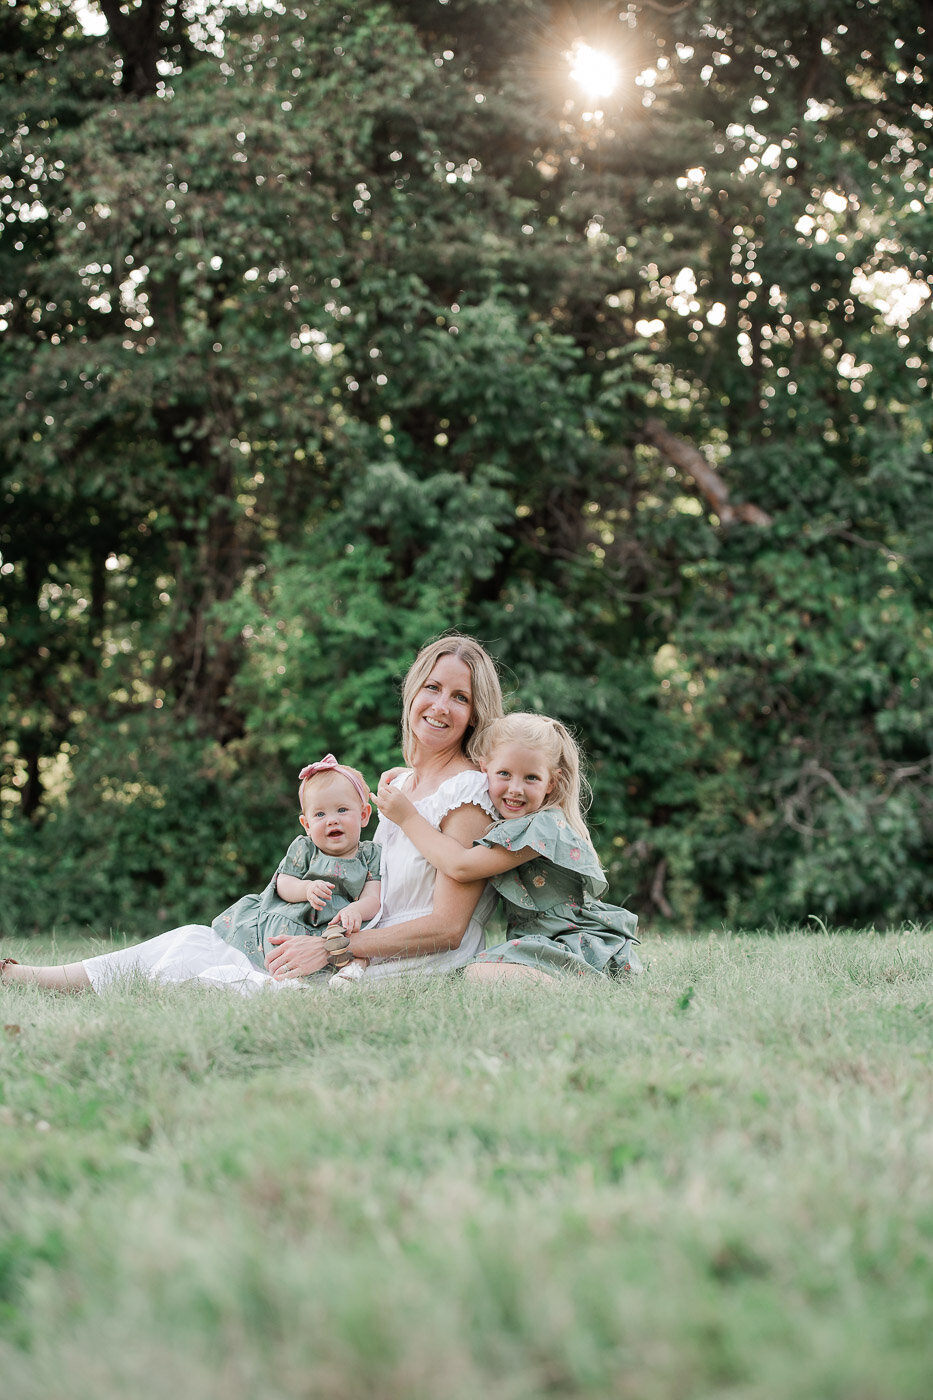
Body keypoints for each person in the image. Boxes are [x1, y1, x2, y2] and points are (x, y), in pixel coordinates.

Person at [1, 633, 505, 991]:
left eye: (460, 697)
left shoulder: (469, 793)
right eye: (433, 688)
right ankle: (38, 978)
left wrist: (331, 951)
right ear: (413, 691)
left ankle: (44, 982)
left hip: (407, 962)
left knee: (221, 980)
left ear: (476, 713)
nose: (441, 705)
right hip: (359, 942)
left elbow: (447, 928)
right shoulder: (403, 784)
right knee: (195, 938)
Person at [0, 754, 380, 995]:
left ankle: (143, 986)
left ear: (363, 815)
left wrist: (356, 912)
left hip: (306, 948)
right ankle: (42, 979)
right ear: (306, 823)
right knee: (187, 944)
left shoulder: (370, 855)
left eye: (342, 811)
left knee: (211, 972)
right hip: (262, 932)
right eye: (320, 814)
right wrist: (305, 888)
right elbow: (282, 883)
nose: (331, 820)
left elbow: (374, 896)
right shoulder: (302, 849)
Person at [375, 711, 642, 984]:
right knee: (480, 972)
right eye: (504, 774)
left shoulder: (544, 828)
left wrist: (408, 818)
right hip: (538, 941)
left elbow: (461, 866)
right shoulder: (515, 820)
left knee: (475, 974)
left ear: (551, 782)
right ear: (484, 769)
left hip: (573, 941)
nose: (516, 789)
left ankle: (583, 984)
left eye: (531, 778)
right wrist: (418, 776)